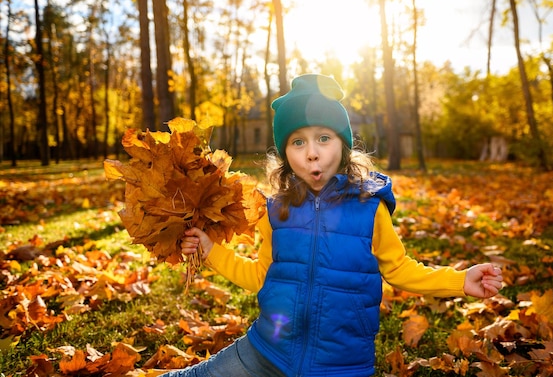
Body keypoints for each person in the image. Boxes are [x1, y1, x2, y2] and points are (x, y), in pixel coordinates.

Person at [163, 74, 503, 377]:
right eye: (298, 142)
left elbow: (399, 269)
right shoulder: (275, 210)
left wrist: (460, 281)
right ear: (286, 154)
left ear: (343, 145)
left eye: (323, 138)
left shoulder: (369, 209)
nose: (311, 153)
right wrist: (211, 250)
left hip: (341, 365)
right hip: (268, 351)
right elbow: (260, 277)